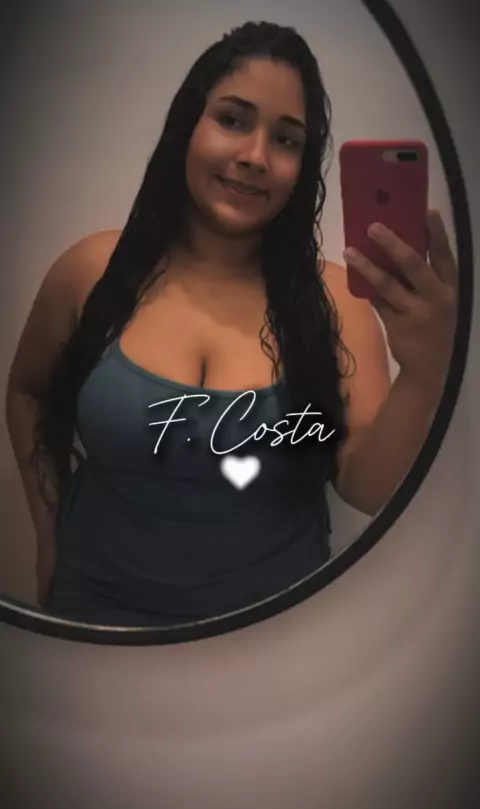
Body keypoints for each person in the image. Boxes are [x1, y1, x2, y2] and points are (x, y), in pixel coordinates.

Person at [5, 22, 457, 627]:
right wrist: (47, 531)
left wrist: (424, 374)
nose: (255, 157)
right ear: (187, 126)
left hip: (275, 637)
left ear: (304, 165)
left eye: (287, 140)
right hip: (95, 621)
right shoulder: (89, 270)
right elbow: (28, 392)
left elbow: (367, 488)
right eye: (233, 120)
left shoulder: (339, 304)